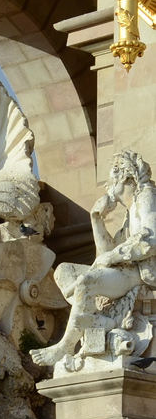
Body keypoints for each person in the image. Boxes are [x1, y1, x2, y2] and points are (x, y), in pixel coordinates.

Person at [33, 150, 156, 368]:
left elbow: (151, 239)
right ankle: (101, 321)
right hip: (123, 272)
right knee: (64, 271)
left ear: (126, 176)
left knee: (86, 282)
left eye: (112, 178)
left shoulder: (146, 196)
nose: (108, 185)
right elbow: (103, 255)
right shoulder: (129, 213)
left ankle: (66, 346)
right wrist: (96, 218)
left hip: (138, 274)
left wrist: (110, 257)